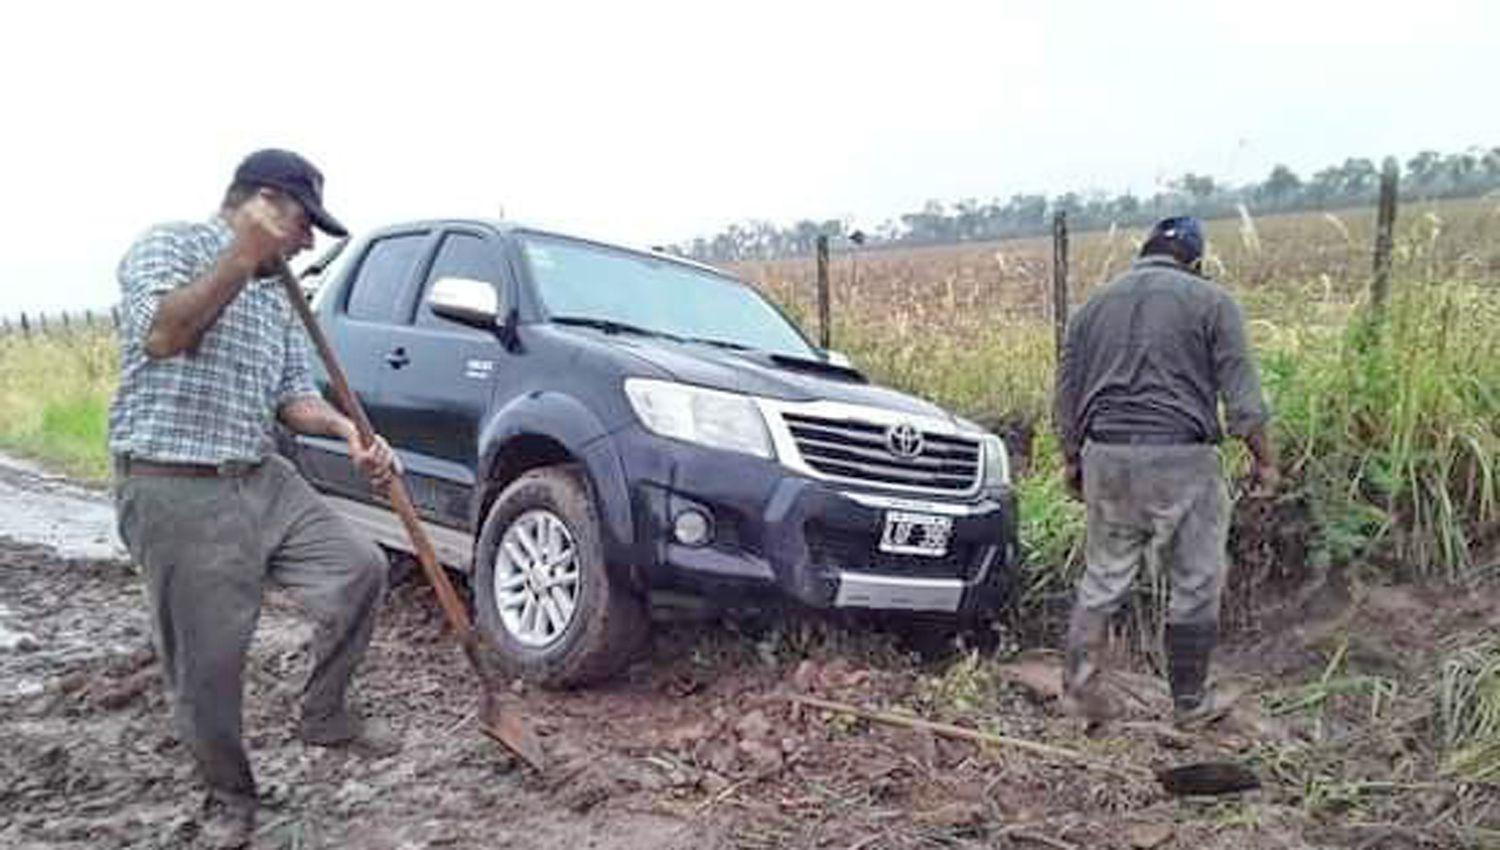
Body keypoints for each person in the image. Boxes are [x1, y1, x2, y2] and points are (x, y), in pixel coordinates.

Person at [110, 149, 400, 847]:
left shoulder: (279, 293)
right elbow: (165, 335)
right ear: (264, 201)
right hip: (174, 480)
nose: (306, 243)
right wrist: (242, 256)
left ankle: (324, 715)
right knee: (210, 661)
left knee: (360, 568)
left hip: (259, 475)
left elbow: (294, 399)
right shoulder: (170, 245)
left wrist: (348, 431)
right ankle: (229, 797)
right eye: (304, 225)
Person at [1053, 215, 1278, 729]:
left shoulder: (1091, 308)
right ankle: (1190, 704)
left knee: (1104, 577)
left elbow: (1065, 396)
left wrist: (1072, 459)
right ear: (1194, 261)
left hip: (1106, 457)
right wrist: (1265, 461)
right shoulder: (1212, 301)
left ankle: (1080, 697)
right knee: (1196, 580)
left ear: (1143, 253)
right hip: (1183, 458)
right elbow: (1243, 400)